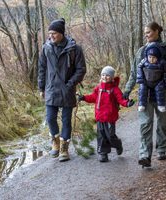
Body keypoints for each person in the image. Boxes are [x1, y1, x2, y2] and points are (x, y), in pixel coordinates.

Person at [38, 18, 86, 162]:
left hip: (67, 89)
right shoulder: (46, 48)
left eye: (54, 33)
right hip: (51, 88)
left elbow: (81, 69)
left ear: (61, 33)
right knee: (50, 118)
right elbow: (42, 69)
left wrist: (70, 84)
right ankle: (55, 141)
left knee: (66, 120)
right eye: (49, 33)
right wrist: (41, 87)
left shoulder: (74, 49)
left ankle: (64, 148)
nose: (51, 36)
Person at [123, 21, 166, 167]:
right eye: (145, 32)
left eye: (148, 32)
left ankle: (162, 149)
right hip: (145, 94)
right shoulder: (141, 51)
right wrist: (127, 90)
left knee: (163, 123)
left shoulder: (165, 49)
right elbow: (134, 73)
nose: (146, 35)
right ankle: (144, 155)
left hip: (163, 94)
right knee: (145, 123)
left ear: (157, 31)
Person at [78, 66, 134, 162]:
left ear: (112, 77)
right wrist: (83, 98)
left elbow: (121, 100)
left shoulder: (114, 89)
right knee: (101, 135)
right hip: (100, 116)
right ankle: (103, 154)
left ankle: (117, 144)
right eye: (103, 75)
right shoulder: (98, 88)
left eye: (107, 75)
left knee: (110, 136)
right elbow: (93, 97)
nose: (105, 77)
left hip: (110, 117)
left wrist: (127, 103)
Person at [137, 42, 166, 112]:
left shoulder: (162, 62)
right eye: (150, 57)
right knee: (142, 89)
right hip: (146, 81)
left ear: (158, 57)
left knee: (160, 89)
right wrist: (140, 78)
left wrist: (164, 80)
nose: (151, 59)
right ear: (147, 56)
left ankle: (161, 104)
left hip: (158, 82)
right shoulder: (144, 61)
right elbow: (139, 67)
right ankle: (141, 104)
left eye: (154, 57)